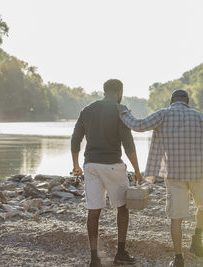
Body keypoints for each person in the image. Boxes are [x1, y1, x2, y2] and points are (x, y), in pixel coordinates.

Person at [117, 89, 203, 267]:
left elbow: (138, 126)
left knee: (176, 217)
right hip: (198, 173)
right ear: (187, 102)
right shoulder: (199, 116)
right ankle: (197, 240)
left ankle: (178, 258)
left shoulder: (163, 114)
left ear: (171, 101)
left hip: (174, 175)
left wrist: (123, 112)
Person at [71, 79, 142, 267]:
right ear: (119, 92)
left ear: (104, 91)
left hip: (91, 165)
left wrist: (76, 165)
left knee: (93, 210)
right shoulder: (119, 110)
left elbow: (75, 139)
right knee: (122, 208)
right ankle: (120, 252)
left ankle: (94, 258)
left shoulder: (86, 110)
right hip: (112, 165)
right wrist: (137, 171)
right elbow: (128, 144)